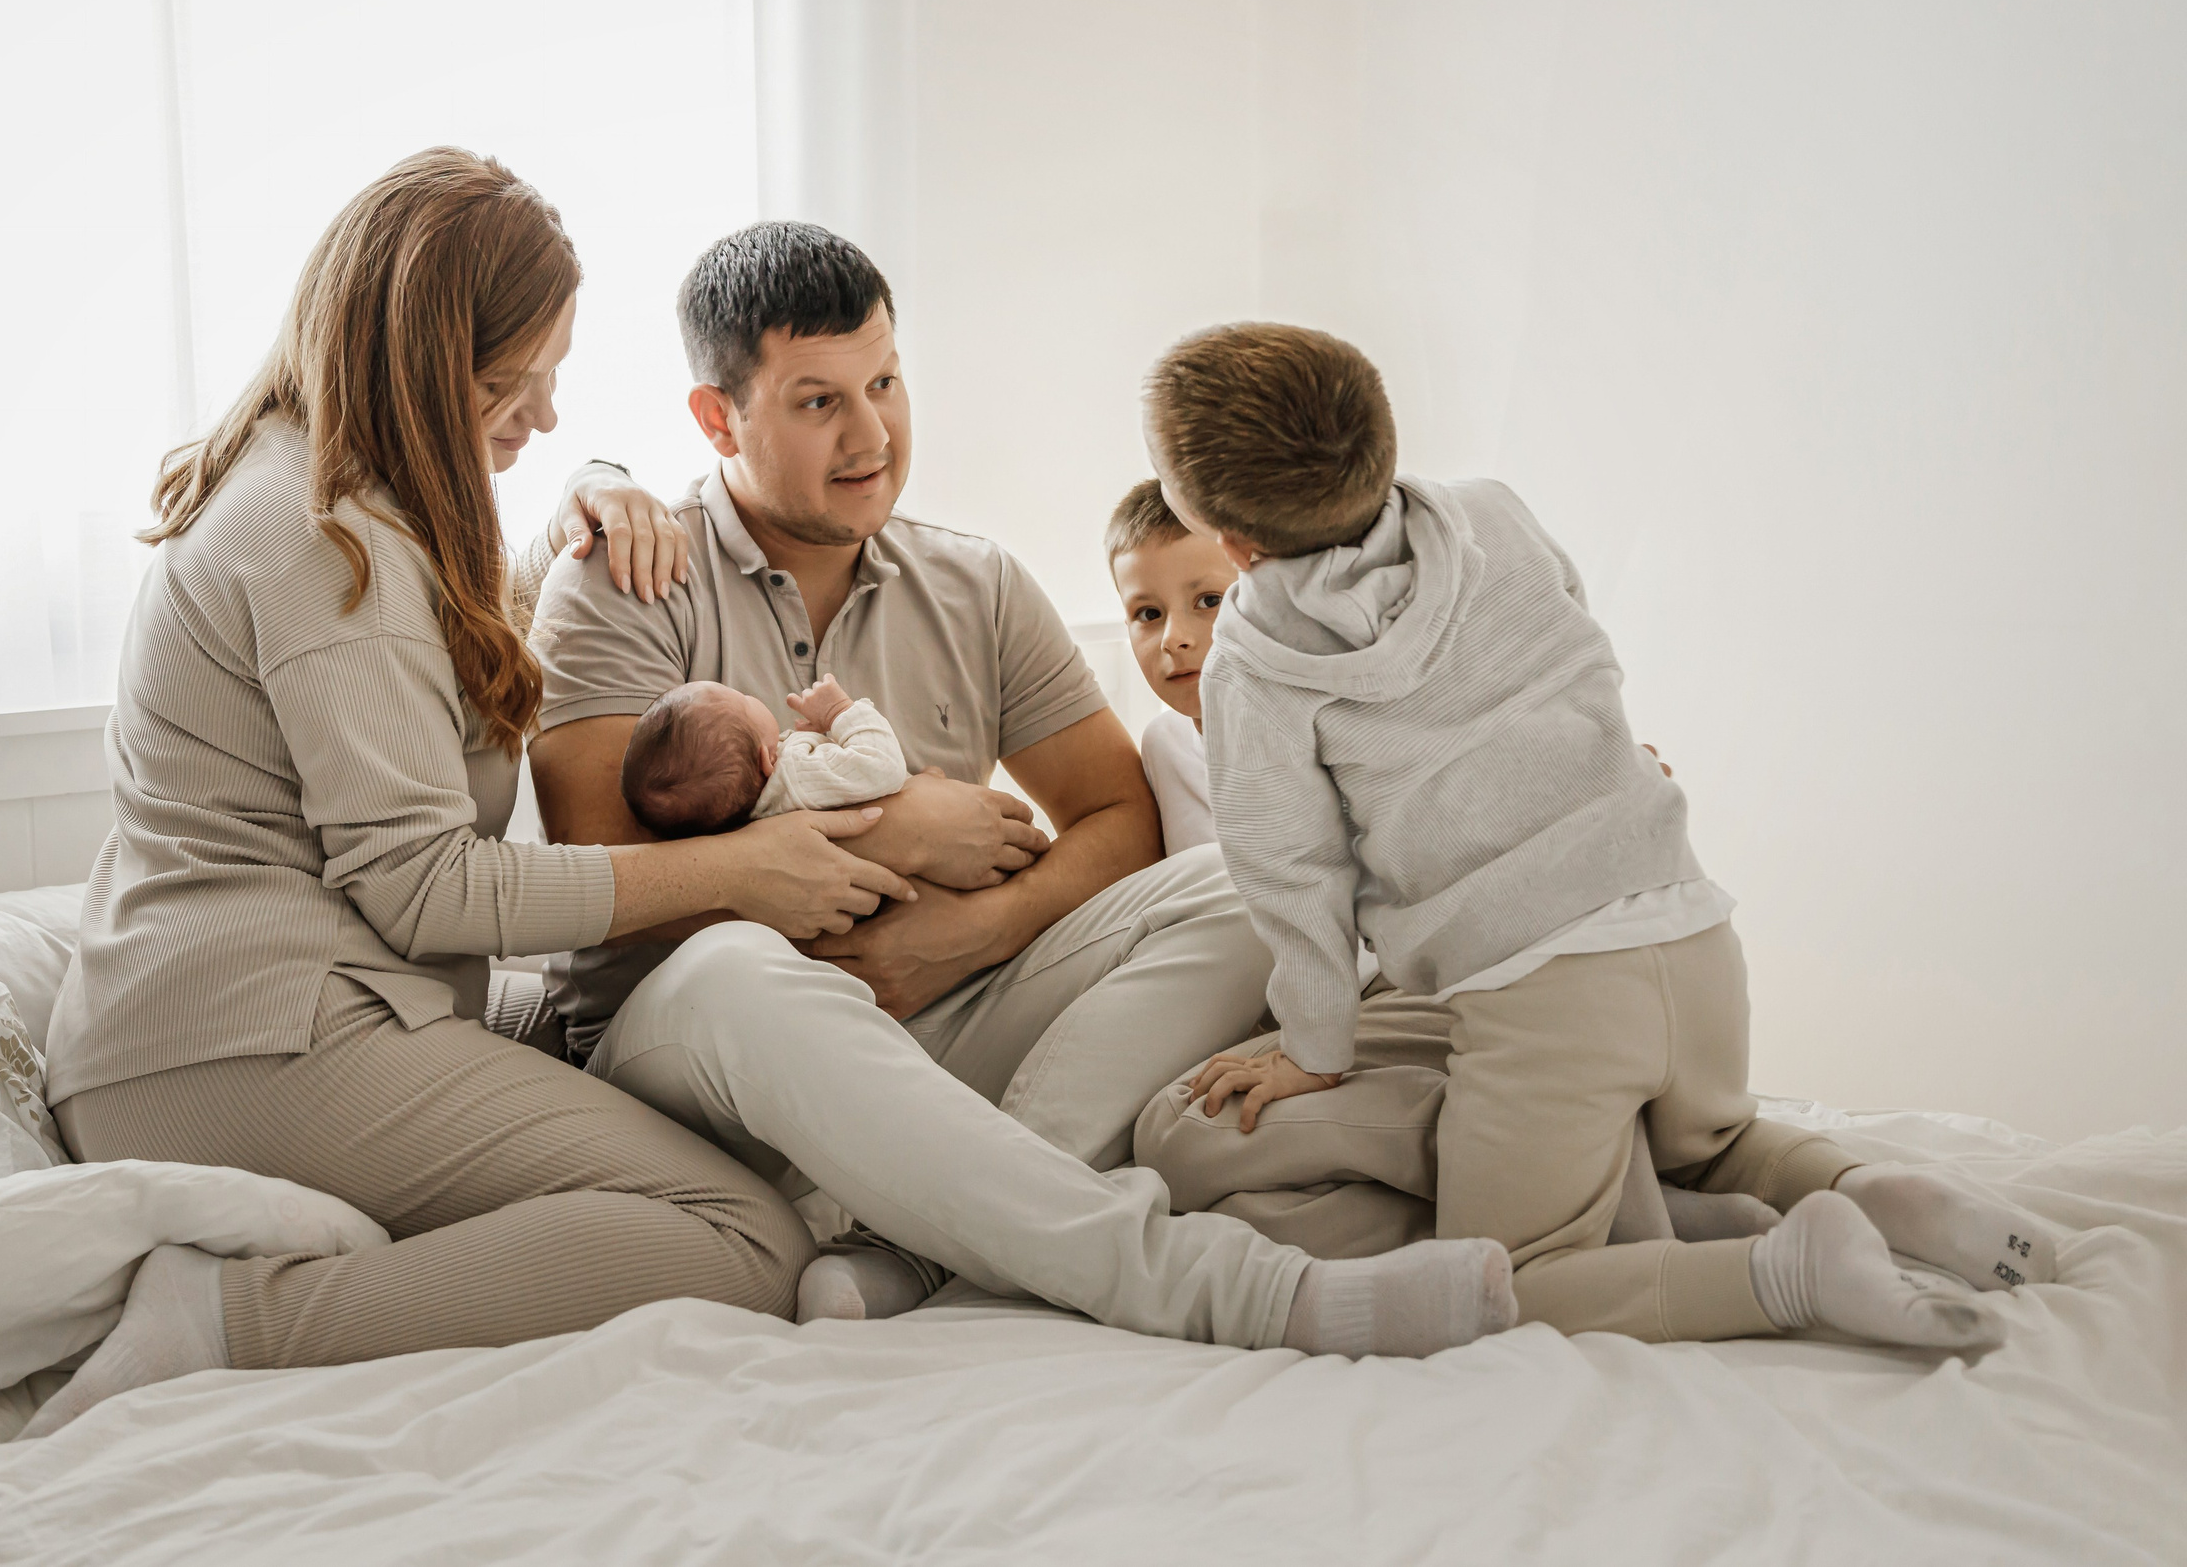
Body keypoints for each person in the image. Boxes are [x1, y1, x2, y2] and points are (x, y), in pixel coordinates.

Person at [23, 151, 935, 1436]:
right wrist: (736, 871)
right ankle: (227, 1321)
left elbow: (448, 659)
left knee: (656, 1079)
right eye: (514, 382)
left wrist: (587, 489)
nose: (543, 412)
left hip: (272, 1011)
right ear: (414, 361)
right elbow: (423, 885)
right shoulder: (318, 546)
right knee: (738, 1231)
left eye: (553, 378)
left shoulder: (343, 501)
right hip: (241, 1043)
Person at [527, 221, 1518, 1353]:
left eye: (886, 382)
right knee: (735, 967)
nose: (871, 435)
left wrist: (976, 930)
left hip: (929, 1021)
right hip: (705, 1054)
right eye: (817, 402)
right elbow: (607, 882)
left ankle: (927, 1232)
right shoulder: (622, 578)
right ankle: (1230, 1288)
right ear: (719, 417)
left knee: (1239, 881)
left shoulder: (974, 579)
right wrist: (893, 833)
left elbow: (1121, 818)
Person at [1143, 321, 2054, 1349]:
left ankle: (1784, 1271)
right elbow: (1575, 651)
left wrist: (1314, 1046)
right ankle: (1887, 1196)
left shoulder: (1255, 664)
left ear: (1233, 543)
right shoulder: (1492, 516)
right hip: (1689, 923)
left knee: (1507, 1277)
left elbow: (1286, 868)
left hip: (1548, 991)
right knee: (1711, 1142)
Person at [1105, 479, 1234, 855]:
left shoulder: (1327, 736)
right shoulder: (1162, 747)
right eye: (1149, 614)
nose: (1173, 638)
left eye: (1209, 600)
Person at [623, 673, 909, 836]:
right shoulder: (795, 776)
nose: (748, 695)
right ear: (765, 759)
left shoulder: (760, 803)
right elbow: (882, 765)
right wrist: (840, 713)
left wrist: (824, 735)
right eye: (744, 700)